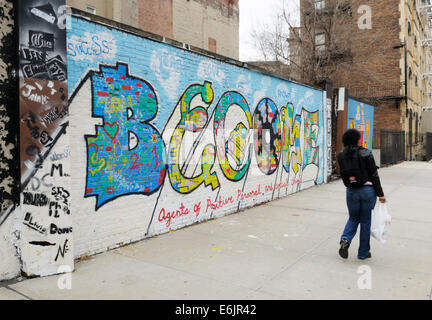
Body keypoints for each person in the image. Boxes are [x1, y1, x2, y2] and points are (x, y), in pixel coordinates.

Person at [337, 129, 386, 260]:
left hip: (351, 191)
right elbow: (374, 175)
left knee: (353, 218)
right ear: (357, 139)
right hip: (367, 191)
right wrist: (380, 194)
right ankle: (363, 253)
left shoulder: (341, 155)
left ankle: (345, 239)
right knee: (365, 221)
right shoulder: (366, 153)